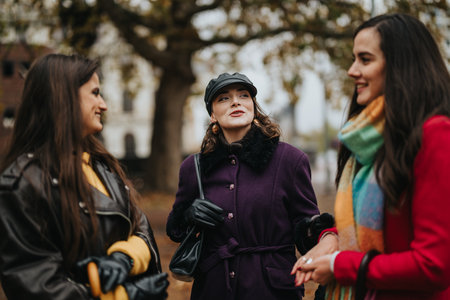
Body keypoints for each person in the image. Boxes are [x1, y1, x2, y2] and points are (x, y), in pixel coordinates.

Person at [292, 13, 450, 300]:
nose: (352, 70)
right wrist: (332, 239)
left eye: (365, 59)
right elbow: (367, 219)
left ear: (401, 64)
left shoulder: (436, 135)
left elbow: (434, 265)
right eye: (354, 59)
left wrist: (342, 266)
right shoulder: (368, 141)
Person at [0, 53, 169, 299]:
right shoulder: (21, 185)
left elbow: (140, 227)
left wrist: (125, 258)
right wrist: (124, 296)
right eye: (95, 93)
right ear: (63, 97)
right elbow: (37, 286)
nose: (104, 105)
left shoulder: (103, 165)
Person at [166, 72, 335, 299]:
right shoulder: (194, 167)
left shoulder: (290, 161)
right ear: (212, 116)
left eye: (243, 95)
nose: (235, 101)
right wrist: (189, 215)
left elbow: (306, 233)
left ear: (253, 107)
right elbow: (175, 231)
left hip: (271, 289)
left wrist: (321, 233)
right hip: (213, 288)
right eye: (223, 98)